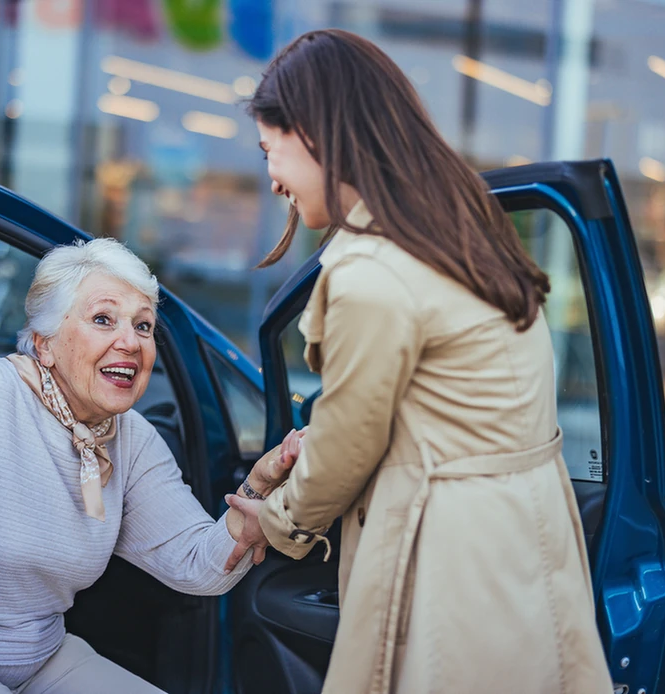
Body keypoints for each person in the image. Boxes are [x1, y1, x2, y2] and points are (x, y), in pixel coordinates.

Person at [224, 29, 614, 694]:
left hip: (451, 564)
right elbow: (444, 406)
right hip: (522, 543)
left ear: (315, 134)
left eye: (271, 151)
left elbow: (349, 444)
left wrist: (276, 518)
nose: (271, 178)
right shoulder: (464, 233)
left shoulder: (371, 270)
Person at [0, 238, 294, 693]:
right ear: (43, 345)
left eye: (144, 326)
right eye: (103, 319)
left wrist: (255, 494)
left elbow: (195, 564)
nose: (130, 341)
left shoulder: (130, 437)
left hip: (43, 657)